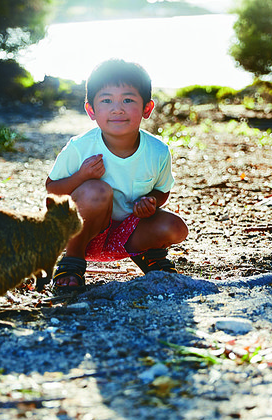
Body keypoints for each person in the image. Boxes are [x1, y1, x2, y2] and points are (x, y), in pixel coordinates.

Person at [45, 59, 188, 290]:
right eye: (106, 100)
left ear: (147, 109)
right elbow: (52, 188)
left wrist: (151, 202)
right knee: (96, 190)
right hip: (83, 234)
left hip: (129, 234)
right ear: (91, 110)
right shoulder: (80, 148)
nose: (117, 108)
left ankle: (148, 254)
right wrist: (81, 176)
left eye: (128, 100)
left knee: (175, 227)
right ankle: (71, 262)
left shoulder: (157, 151)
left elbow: (162, 191)